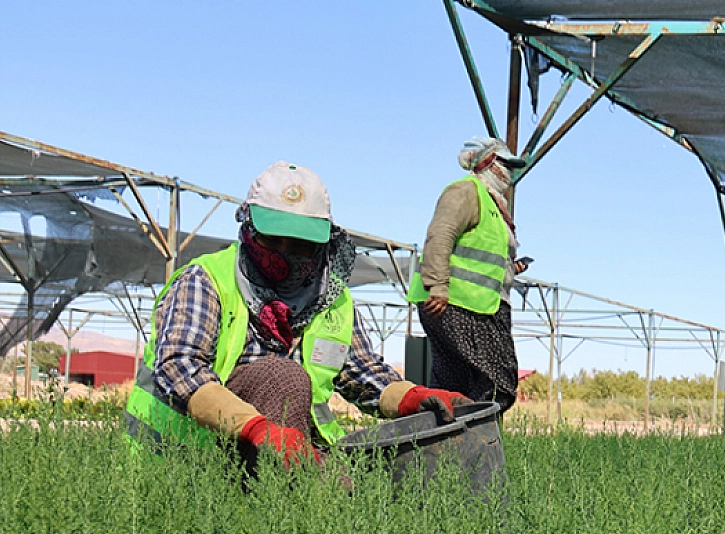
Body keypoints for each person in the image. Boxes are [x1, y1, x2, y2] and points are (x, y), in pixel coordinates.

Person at [124, 162, 469, 470]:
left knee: (357, 489)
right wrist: (255, 427)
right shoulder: (206, 280)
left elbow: (362, 372)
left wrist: (412, 397)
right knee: (282, 376)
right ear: (249, 229)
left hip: (287, 449)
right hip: (181, 456)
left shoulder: (333, 301)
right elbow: (179, 367)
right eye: (275, 240)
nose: (286, 254)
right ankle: (274, 504)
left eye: (302, 244)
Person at [407, 137, 530, 411]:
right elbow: (441, 234)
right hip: (457, 304)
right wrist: (437, 285)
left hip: (477, 304)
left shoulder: (494, 205)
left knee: (456, 384)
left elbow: (481, 255)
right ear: (487, 163)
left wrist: (512, 269)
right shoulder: (466, 191)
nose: (510, 172)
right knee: (497, 380)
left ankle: (451, 446)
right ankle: (476, 442)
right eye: (505, 164)